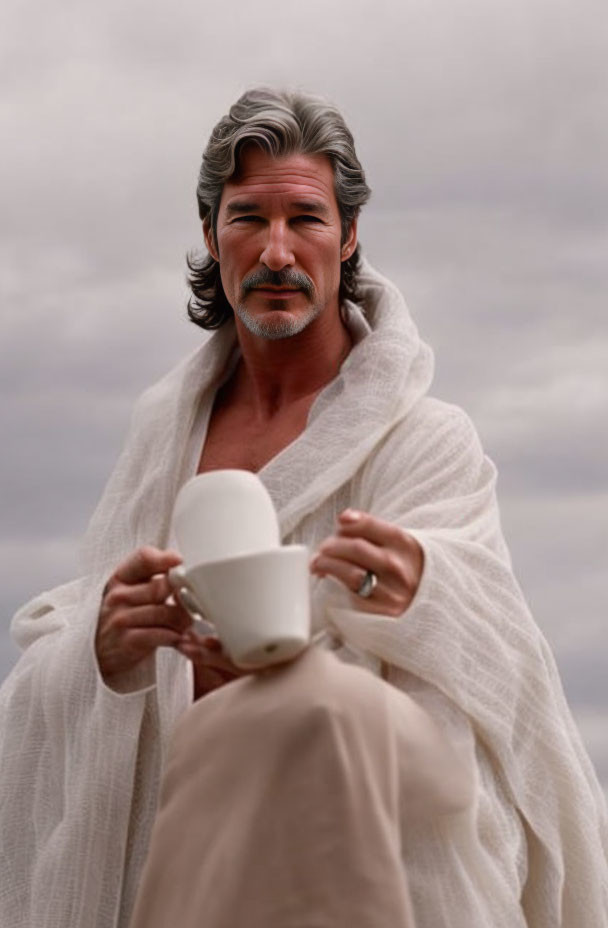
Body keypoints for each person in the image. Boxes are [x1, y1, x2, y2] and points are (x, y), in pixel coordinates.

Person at [0, 87, 606, 928]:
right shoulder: (160, 436)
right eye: (248, 217)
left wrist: (424, 592)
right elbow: (75, 620)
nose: (277, 251)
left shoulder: (424, 439)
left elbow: (501, 642)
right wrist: (104, 645)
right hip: (189, 859)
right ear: (212, 234)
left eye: (307, 219)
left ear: (349, 235)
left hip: (356, 864)